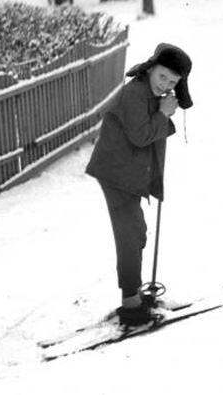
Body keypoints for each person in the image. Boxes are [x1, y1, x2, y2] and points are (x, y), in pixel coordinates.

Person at [86, 43, 193, 326]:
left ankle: (134, 291)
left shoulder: (153, 94)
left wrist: (162, 113)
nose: (166, 85)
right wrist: (163, 115)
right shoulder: (135, 93)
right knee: (129, 235)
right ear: (150, 69)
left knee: (136, 232)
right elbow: (140, 135)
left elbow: (149, 136)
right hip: (115, 172)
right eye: (162, 77)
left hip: (128, 172)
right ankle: (131, 303)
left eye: (173, 82)